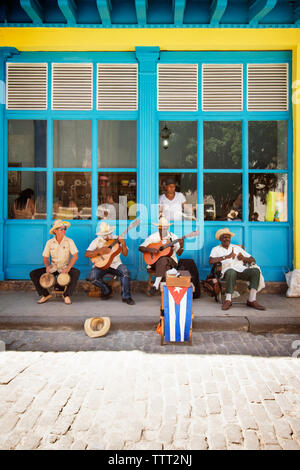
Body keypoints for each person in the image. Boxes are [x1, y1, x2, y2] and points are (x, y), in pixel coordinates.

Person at [209, 228, 266, 311]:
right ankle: (228, 300)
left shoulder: (236, 248)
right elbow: (211, 261)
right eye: (224, 237)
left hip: (241, 270)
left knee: (255, 271)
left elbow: (253, 259)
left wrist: (243, 258)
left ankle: (252, 300)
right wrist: (226, 257)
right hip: (226, 271)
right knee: (231, 271)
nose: (226, 239)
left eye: (228, 237)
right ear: (220, 239)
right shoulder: (216, 249)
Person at [30, 220, 80, 305]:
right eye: (61, 229)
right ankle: (45, 294)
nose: (64, 230)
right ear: (55, 231)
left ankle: (67, 295)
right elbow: (45, 257)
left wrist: (68, 268)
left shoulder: (69, 241)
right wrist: (47, 266)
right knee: (33, 274)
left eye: (64, 229)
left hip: (64, 268)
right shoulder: (49, 242)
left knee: (76, 273)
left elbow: (75, 256)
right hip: (53, 268)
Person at [85, 222, 135, 305]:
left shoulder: (117, 239)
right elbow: (87, 254)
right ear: (101, 235)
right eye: (105, 235)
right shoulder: (97, 241)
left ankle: (126, 297)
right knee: (92, 278)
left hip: (115, 264)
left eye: (109, 234)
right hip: (101, 264)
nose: (107, 236)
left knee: (125, 272)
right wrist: (99, 251)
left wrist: (123, 243)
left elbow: (125, 254)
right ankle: (107, 289)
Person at [139, 216, 184, 295]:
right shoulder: (153, 237)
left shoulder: (173, 237)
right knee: (163, 262)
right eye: (161, 228)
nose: (163, 230)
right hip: (154, 263)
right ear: (158, 228)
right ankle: (172, 272)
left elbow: (178, 254)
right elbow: (140, 248)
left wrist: (181, 246)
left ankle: (155, 285)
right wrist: (150, 250)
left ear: (167, 228)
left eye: (165, 228)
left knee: (163, 259)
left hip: (171, 261)